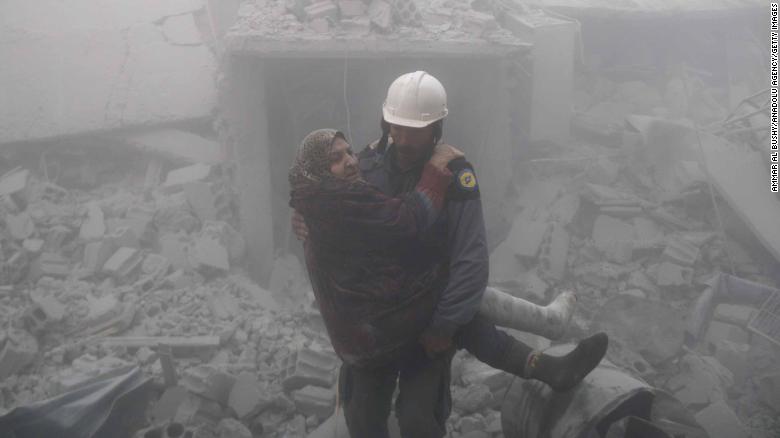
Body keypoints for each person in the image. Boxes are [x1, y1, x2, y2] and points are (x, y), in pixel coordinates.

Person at [290, 72, 607, 437]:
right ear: (386, 122)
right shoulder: (367, 166)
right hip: (374, 324)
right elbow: (326, 195)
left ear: (437, 128)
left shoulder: (455, 177)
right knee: (362, 420)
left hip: (428, 322)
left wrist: (443, 326)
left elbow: (470, 263)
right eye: (398, 128)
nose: (405, 139)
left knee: (418, 421)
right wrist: (302, 215)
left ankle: (546, 366)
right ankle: (546, 367)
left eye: (417, 130)